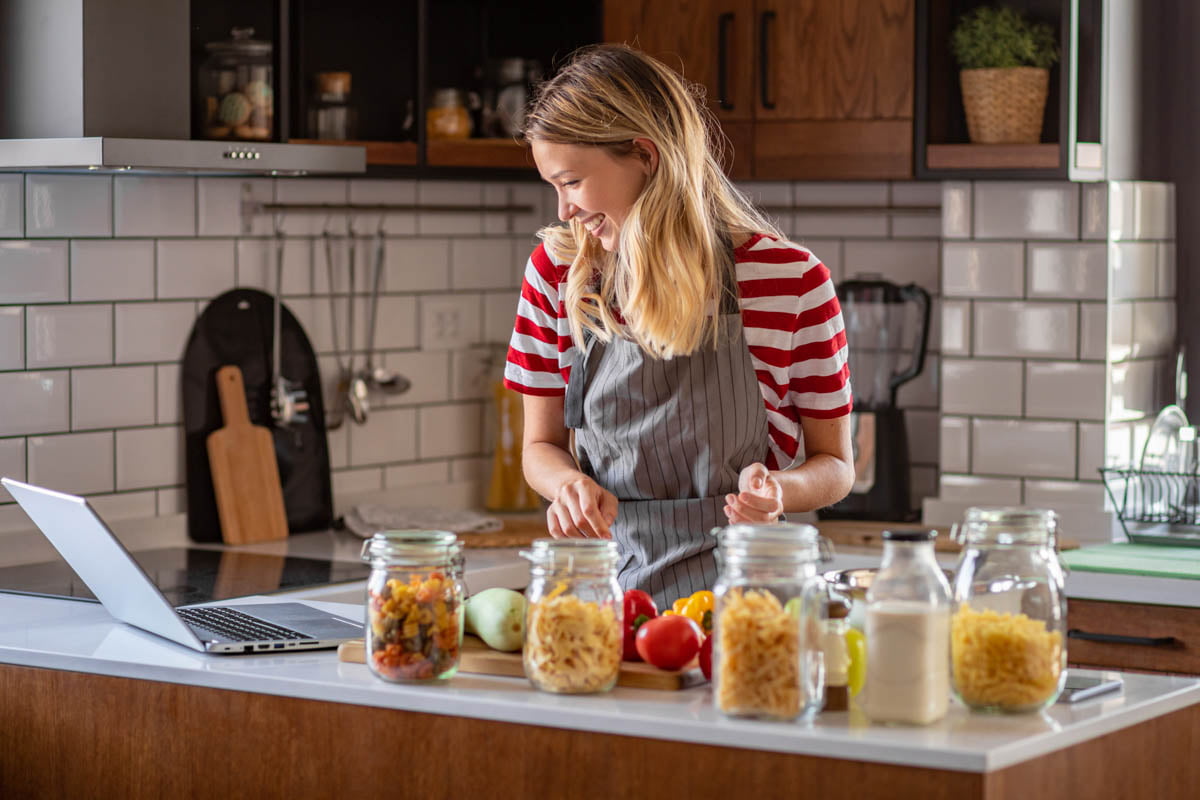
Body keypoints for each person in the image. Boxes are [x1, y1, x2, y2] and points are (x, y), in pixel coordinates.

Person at [503, 44, 855, 607]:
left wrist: (777, 489)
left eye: (571, 182)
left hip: (749, 601)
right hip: (603, 595)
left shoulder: (791, 280)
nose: (564, 210)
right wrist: (566, 486)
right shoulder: (559, 271)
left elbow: (836, 467)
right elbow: (539, 446)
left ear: (644, 155)